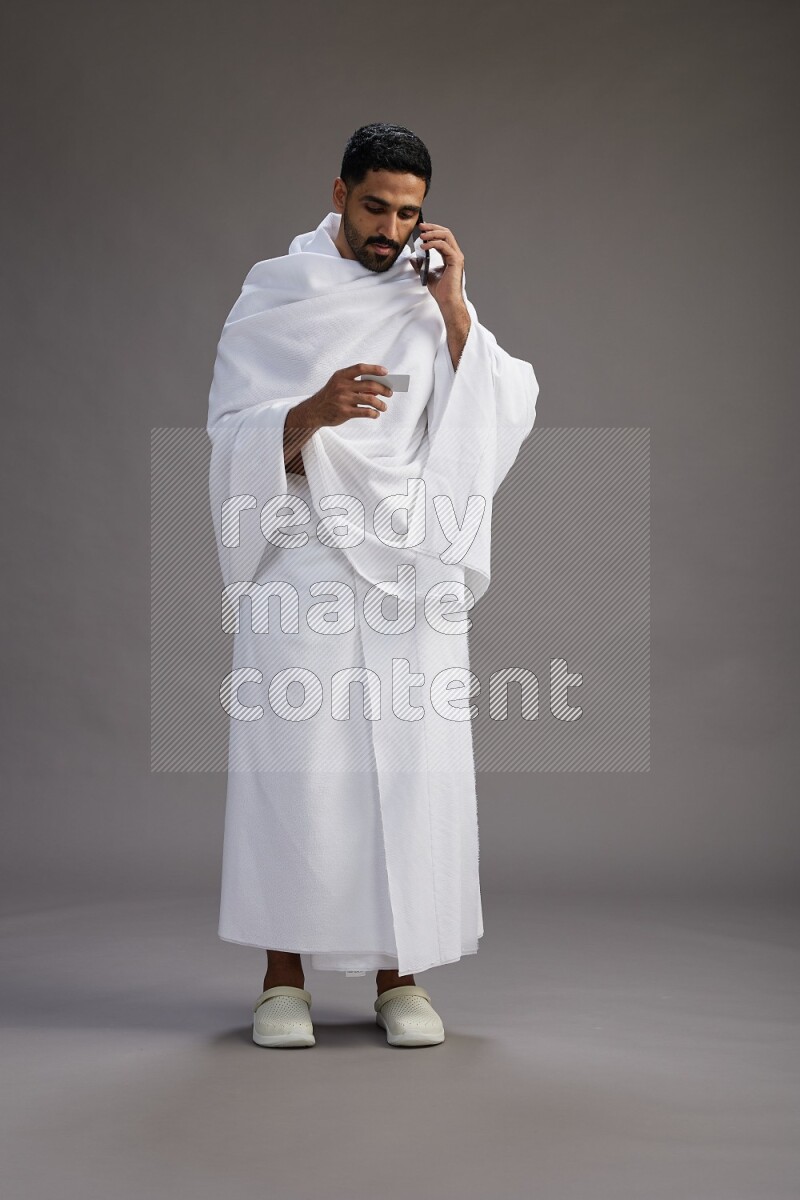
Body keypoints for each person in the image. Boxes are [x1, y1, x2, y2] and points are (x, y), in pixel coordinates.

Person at [206, 123, 538, 1048]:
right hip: (305, 550)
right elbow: (228, 435)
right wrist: (309, 413)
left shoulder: (428, 299)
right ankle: (283, 982)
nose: (392, 227)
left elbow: (504, 408)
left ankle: (404, 978)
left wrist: (459, 306)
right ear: (340, 192)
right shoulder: (277, 294)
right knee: (296, 765)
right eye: (376, 206)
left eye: (409, 212)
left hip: (409, 561)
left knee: (410, 767)